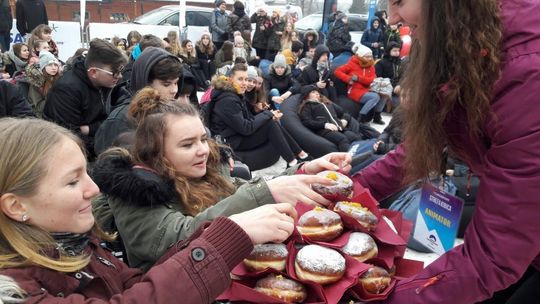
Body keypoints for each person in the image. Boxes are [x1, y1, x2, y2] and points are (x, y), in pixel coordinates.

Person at [349, 0, 540, 303]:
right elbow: (423, 143)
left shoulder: (527, 76)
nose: (391, 16)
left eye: (399, 1)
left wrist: (390, 299)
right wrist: (351, 189)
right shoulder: (469, 42)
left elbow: (493, 256)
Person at [0, 117, 304, 302]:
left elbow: (137, 282)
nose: (93, 190)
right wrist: (226, 237)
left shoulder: (73, 243)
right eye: (72, 182)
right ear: (16, 205)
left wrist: (296, 175)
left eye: (203, 139)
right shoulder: (15, 291)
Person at [92, 91, 333, 271]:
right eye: (187, 144)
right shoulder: (134, 190)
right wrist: (265, 192)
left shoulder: (202, 171)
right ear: (157, 152)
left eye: (203, 139)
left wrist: (303, 172)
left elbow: (243, 190)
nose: (203, 151)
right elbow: (176, 237)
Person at [43, 38, 128, 160]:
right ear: (93, 72)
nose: (120, 76)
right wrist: (107, 146)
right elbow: (70, 136)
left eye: (121, 71)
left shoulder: (108, 82)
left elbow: (118, 119)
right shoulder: (66, 90)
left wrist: (89, 128)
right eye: (115, 72)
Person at [209, 63, 306, 168]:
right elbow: (246, 128)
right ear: (230, 79)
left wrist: (265, 114)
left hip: (236, 135)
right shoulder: (228, 100)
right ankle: (293, 162)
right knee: (270, 124)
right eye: (240, 79)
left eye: (246, 79)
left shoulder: (235, 94)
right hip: (231, 142)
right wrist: (267, 114)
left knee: (270, 122)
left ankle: (299, 154)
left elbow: (247, 119)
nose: (245, 83)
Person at [94, 47, 181, 155]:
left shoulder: (169, 109)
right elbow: (110, 166)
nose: (174, 90)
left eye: (176, 83)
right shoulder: (121, 119)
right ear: (146, 83)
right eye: (166, 84)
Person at [299, 85, 361, 152]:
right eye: (313, 92)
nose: (317, 93)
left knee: (354, 137)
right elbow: (307, 122)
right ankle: (348, 159)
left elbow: (344, 112)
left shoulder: (327, 103)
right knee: (342, 139)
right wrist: (325, 125)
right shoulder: (307, 106)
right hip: (325, 131)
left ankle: (363, 155)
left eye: (317, 91)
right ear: (306, 95)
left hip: (340, 128)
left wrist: (344, 119)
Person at [335, 44, 385, 124]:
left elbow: (371, 80)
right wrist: (348, 79)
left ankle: (377, 116)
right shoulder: (352, 64)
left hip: (368, 89)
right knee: (375, 97)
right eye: (367, 56)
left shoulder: (371, 66)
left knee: (384, 94)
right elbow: (337, 71)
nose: (370, 59)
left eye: (370, 56)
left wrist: (359, 78)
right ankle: (361, 117)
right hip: (355, 90)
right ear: (360, 56)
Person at [25, 50, 61, 117]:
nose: (53, 68)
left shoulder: (60, 79)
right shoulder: (36, 83)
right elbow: (38, 107)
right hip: (42, 117)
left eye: (55, 65)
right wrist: (55, 96)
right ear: (43, 67)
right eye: (50, 65)